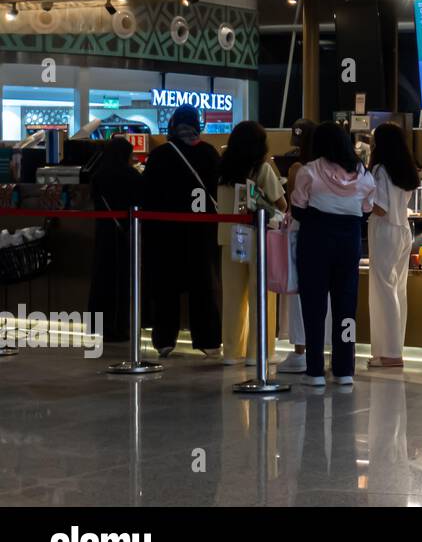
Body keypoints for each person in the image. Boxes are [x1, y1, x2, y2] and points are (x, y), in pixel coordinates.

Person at [291, 121, 374, 386]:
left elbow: (298, 209)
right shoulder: (362, 174)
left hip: (315, 240)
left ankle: (315, 370)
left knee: (314, 306)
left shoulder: (309, 172)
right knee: (346, 306)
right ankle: (344, 369)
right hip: (349, 242)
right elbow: (366, 210)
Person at [143, 105, 221, 357]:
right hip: (202, 232)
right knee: (203, 286)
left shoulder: (161, 155)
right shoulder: (210, 153)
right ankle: (208, 341)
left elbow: (148, 193)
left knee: (166, 287)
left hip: (166, 233)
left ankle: (165, 340)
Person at [217, 120, 287, 366]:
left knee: (233, 296)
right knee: (261, 296)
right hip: (257, 236)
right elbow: (281, 205)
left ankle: (231, 352)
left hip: (229, 236)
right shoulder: (263, 169)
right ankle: (259, 353)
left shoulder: (223, 169)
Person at [366, 123, 419, 368]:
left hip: (384, 229)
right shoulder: (405, 170)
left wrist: (361, 200)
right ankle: (394, 349)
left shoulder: (379, 170)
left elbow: (380, 206)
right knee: (398, 290)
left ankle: (388, 354)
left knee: (383, 290)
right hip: (404, 230)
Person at [88, 135, 142, 342]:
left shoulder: (98, 175)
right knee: (122, 280)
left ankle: (98, 326)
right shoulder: (131, 176)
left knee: (102, 278)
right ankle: (119, 327)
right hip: (126, 232)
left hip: (103, 233)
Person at [277, 118, 317, 374]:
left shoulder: (297, 169)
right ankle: (318, 347)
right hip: (322, 233)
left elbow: (292, 206)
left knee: (298, 292)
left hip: (298, 233)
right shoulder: (328, 166)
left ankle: (300, 350)